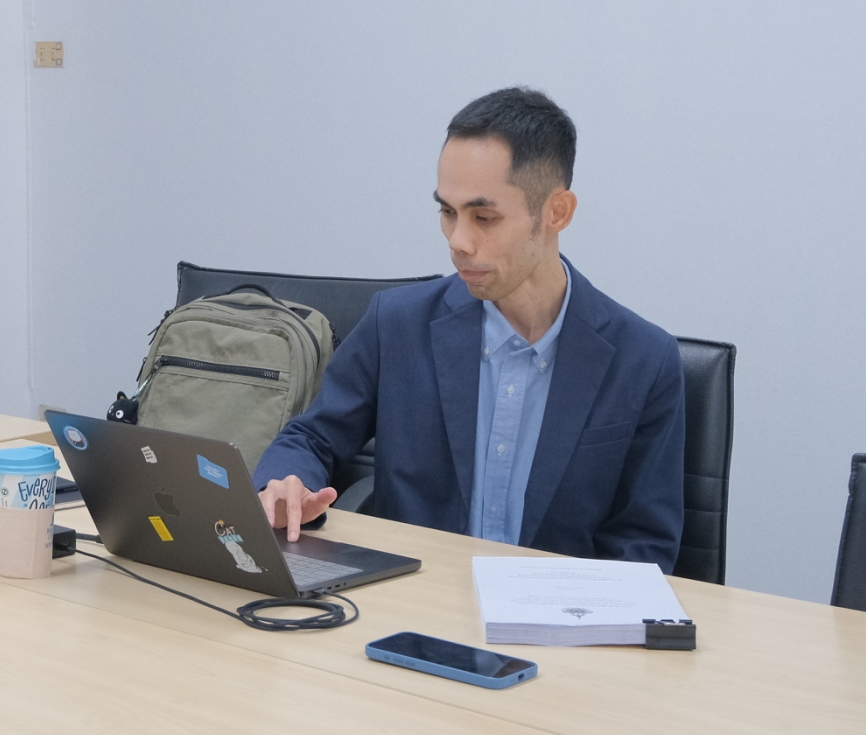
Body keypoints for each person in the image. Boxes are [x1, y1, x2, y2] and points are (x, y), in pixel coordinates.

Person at [254, 88, 686, 570]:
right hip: (415, 599)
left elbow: (643, 548)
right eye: (448, 212)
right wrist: (285, 483)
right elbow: (311, 438)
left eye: (484, 217)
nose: (458, 241)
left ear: (557, 212)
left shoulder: (644, 361)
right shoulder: (395, 325)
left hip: (559, 612)